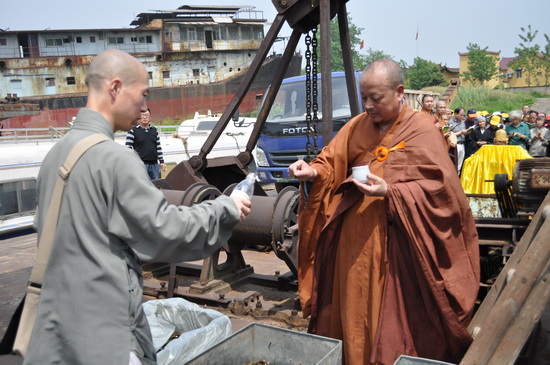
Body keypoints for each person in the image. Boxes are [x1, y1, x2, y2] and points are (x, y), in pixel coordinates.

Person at [25, 49, 251, 364]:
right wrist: (226, 208)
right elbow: (166, 231)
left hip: (56, 333)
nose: (145, 106)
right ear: (115, 88)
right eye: (143, 94)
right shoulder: (115, 159)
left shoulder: (56, 154)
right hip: (102, 338)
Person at [288, 59, 479, 365]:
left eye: (376, 98)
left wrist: (392, 191)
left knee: (391, 321)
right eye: (364, 97)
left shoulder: (422, 130)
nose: (368, 105)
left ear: (399, 92)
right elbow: (330, 162)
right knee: (352, 313)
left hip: (400, 246)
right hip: (353, 244)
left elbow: (444, 192)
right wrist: (311, 172)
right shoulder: (356, 126)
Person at [125, 108, 166, 180]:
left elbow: (158, 147)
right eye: (142, 115)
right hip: (140, 165)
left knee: (155, 186)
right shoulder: (133, 131)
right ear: (139, 117)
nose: (144, 117)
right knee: (142, 186)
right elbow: (128, 148)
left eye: (147, 115)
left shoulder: (154, 131)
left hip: (155, 165)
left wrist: (161, 161)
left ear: (150, 117)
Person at [447, 107, 469, 174]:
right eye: (460, 115)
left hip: (462, 143)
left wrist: (466, 132)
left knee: (460, 164)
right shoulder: (450, 122)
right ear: (456, 114)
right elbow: (449, 134)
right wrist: (460, 132)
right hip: (454, 144)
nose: (462, 117)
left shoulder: (463, 123)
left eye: (463, 115)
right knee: (454, 163)